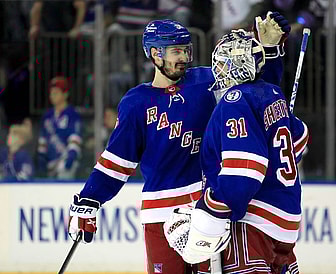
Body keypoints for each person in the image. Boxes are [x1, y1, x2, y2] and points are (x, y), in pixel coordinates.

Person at [67, 14, 291, 274]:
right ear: (155, 54)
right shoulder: (136, 102)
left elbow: (260, 93)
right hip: (160, 215)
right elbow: (116, 163)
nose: (184, 57)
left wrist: (271, 51)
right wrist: (88, 200)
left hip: (207, 214)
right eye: (176, 51)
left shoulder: (209, 82)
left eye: (186, 50)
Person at [164, 30, 309, 274]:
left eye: (222, 63)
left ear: (238, 65)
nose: (217, 69)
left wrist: (210, 211)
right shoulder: (272, 94)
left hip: (251, 225)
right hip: (285, 224)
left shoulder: (235, 99)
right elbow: (300, 138)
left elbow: (245, 172)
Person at [37, 76, 82, 179]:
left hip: (66, 163)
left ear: (65, 94)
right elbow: (43, 140)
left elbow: (75, 140)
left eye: (56, 92)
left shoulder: (72, 114)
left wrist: (69, 159)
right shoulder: (47, 116)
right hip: (50, 164)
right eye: (51, 92)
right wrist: (41, 158)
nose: (52, 95)